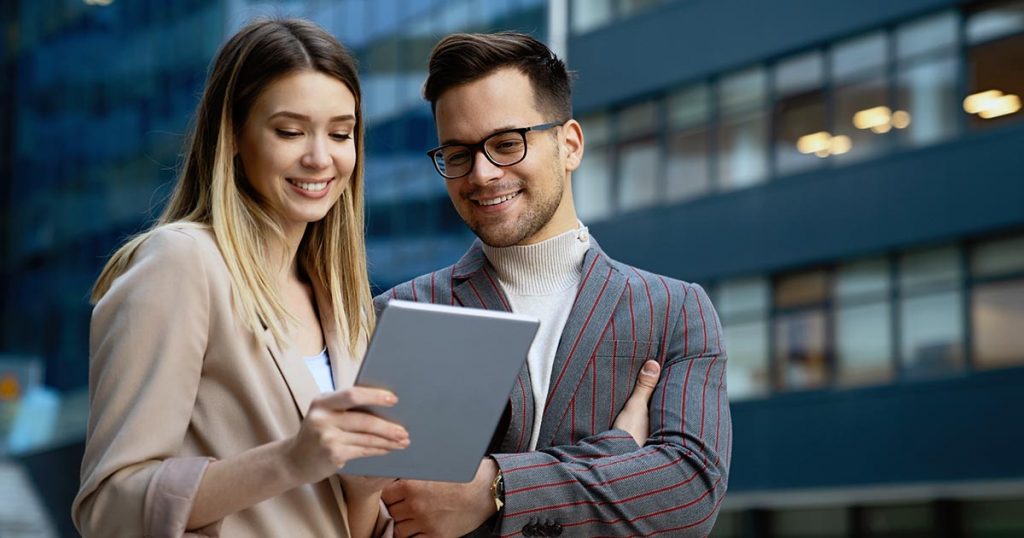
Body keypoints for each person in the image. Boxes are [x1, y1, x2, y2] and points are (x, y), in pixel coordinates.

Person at [375, 32, 732, 537]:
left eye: (505, 144)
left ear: (569, 145)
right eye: (457, 154)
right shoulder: (397, 313)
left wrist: (495, 487)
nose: (481, 173)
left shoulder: (673, 311)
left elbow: (689, 490)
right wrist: (615, 456)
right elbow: (386, 506)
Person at [72, 19, 410, 537]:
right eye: (290, 131)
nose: (321, 157)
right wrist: (288, 462)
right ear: (233, 135)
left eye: (341, 133)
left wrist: (363, 491)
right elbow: (109, 509)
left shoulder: (344, 303)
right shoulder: (181, 264)